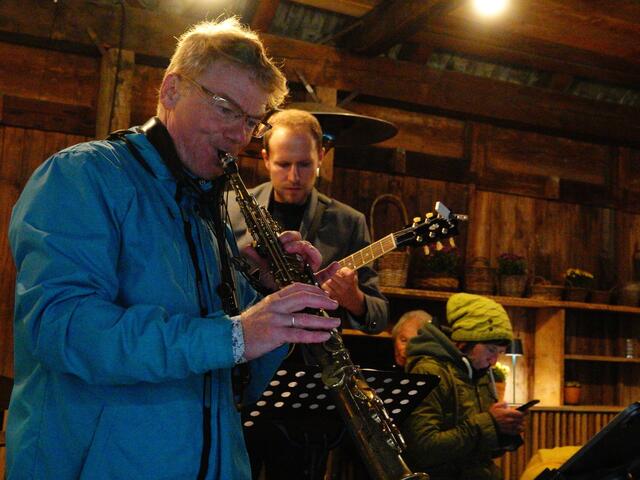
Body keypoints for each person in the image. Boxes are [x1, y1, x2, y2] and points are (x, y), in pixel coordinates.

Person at [6, 18, 342, 480]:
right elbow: (65, 330)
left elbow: (233, 385)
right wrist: (236, 334)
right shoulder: (82, 175)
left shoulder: (206, 210)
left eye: (251, 121)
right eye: (226, 109)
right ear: (171, 90)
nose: (239, 136)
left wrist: (270, 301)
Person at [227, 108, 388, 335]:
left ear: (320, 157)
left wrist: (355, 300)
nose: (294, 177)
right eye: (284, 164)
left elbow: (379, 319)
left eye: (304, 164)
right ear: (266, 158)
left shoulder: (350, 222)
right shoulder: (229, 208)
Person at [401, 293, 526, 480]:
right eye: (491, 350)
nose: (493, 361)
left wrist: (503, 432)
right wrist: (490, 423)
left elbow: (478, 450)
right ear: (465, 341)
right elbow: (424, 449)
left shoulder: (478, 373)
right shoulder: (429, 372)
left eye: (500, 353)